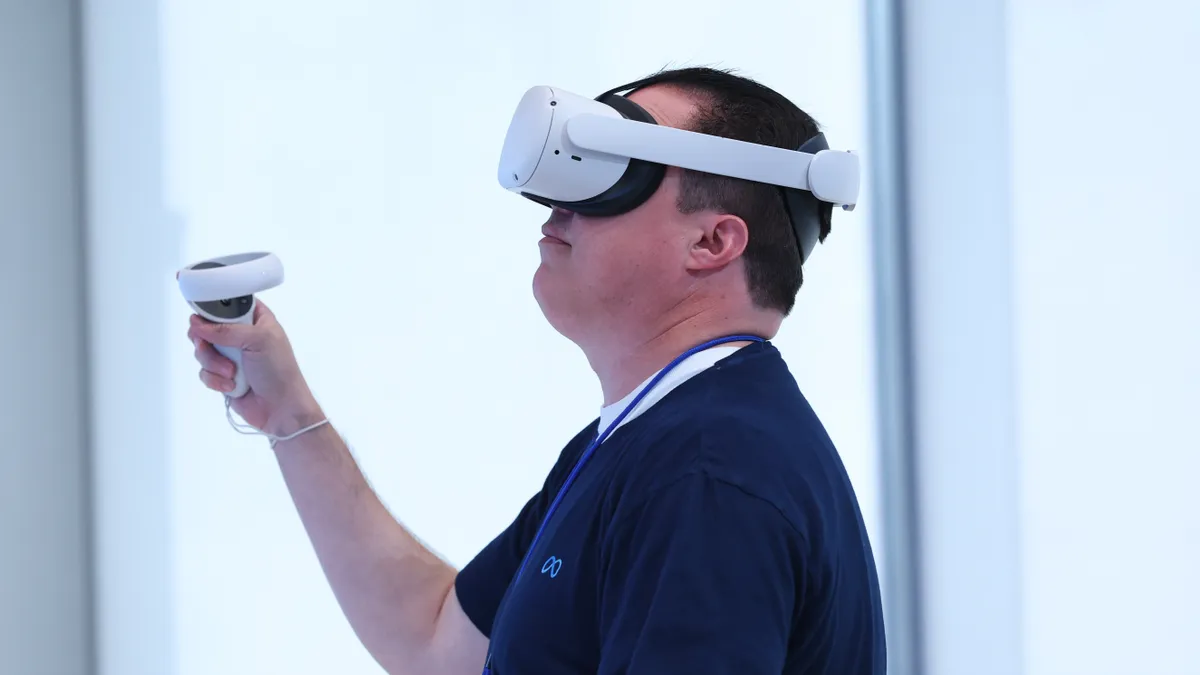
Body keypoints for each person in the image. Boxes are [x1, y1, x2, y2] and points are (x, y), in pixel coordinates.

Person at [187, 66, 885, 675]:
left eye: (615, 167)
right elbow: (436, 641)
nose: (560, 201)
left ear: (712, 240)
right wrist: (287, 411)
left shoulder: (709, 472)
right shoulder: (643, 444)